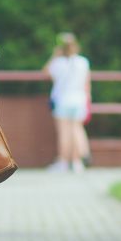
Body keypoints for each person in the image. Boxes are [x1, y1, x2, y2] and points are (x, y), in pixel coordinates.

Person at [43, 32, 91, 173]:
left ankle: (63, 162)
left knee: (64, 132)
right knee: (76, 130)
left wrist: (54, 55)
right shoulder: (83, 62)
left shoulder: (57, 63)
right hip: (79, 99)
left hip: (63, 100)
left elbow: (45, 72)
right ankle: (77, 163)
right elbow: (87, 83)